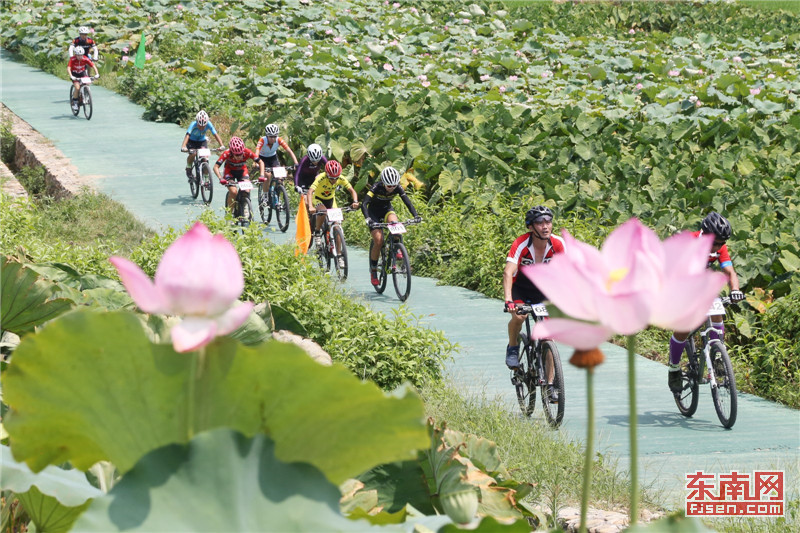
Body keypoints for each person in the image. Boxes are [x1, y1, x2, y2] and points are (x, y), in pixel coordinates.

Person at [667, 212, 745, 394]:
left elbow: (729, 272)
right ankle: (674, 368)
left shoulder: (720, 247)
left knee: (716, 308)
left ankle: (717, 355)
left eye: (721, 243)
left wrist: (735, 290)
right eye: (715, 242)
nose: (718, 246)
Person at [502, 206, 565, 402]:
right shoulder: (522, 243)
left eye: (548, 222)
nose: (545, 226)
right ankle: (513, 347)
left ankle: (550, 385)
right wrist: (509, 301)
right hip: (521, 288)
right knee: (519, 317)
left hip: (543, 290)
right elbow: (508, 272)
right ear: (531, 227)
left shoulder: (558, 243)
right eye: (540, 223)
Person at [361, 166, 422, 287]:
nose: (392, 188)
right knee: (379, 241)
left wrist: (416, 215)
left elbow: (407, 202)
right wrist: (368, 219)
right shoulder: (376, 187)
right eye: (389, 186)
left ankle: (396, 248)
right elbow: (364, 203)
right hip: (373, 213)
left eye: (394, 186)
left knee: (396, 224)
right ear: (383, 183)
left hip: (386, 210)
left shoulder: (397, 187)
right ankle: (373, 271)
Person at [307, 160, 359, 247]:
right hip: (318, 199)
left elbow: (352, 191)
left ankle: (339, 256)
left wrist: (355, 201)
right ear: (327, 175)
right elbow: (310, 192)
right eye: (331, 178)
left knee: (337, 225)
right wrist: (311, 206)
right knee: (323, 211)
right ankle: (317, 232)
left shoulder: (341, 178)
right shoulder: (321, 177)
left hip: (331, 200)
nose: (334, 180)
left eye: (336, 178)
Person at [213, 137, 262, 213]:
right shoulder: (227, 153)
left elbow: (261, 162)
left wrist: (261, 175)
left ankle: (245, 207)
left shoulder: (247, 152)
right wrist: (220, 178)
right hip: (229, 172)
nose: (239, 156)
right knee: (233, 192)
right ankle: (229, 215)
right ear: (232, 152)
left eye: (240, 154)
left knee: (246, 190)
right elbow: (215, 167)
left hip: (242, 171)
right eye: (237, 155)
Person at [181, 111, 225, 178]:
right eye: (199, 125)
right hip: (191, 141)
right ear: (197, 122)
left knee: (205, 158)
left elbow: (215, 135)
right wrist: (183, 146)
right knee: (193, 153)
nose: (201, 127)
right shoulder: (193, 124)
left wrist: (221, 145)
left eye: (203, 126)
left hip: (202, 141)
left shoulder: (209, 124)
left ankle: (206, 178)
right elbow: (187, 135)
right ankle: (189, 167)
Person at [254, 124, 298, 192]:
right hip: (262, 159)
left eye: (274, 136)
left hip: (273, 158)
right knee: (267, 176)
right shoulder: (262, 140)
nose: (273, 139)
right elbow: (257, 152)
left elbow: (289, 151)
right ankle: (265, 196)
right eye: (270, 137)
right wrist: (256, 162)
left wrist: (296, 163)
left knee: (280, 178)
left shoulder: (279, 140)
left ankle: (277, 194)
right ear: (267, 136)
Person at [67, 47, 99, 113]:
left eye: (81, 55)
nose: (80, 57)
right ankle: (75, 102)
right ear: (75, 55)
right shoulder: (72, 59)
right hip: (74, 74)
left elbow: (93, 66)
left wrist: (97, 74)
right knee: (77, 87)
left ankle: (86, 95)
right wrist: (71, 76)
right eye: (78, 55)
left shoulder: (85, 59)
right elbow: (68, 68)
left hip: (82, 73)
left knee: (87, 83)